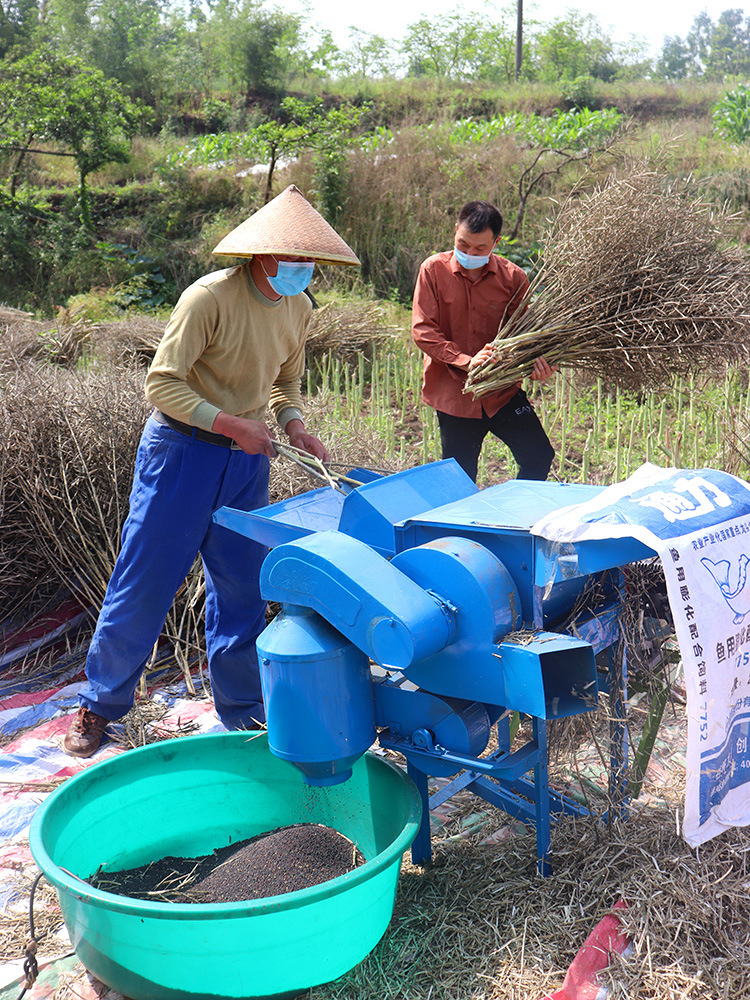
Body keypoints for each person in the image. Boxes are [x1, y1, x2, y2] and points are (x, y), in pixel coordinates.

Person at [63, 185, 360, 757]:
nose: (306, 271)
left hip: (246, 462)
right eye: (298, 260)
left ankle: (243, 709)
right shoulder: (209, 298)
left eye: (312, 263)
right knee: (145, 580)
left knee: (241, 588)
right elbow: (162, 383)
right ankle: (98, 707)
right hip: (182, 452)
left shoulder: (297, 307)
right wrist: (229, 423)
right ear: (265, 255)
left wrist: (294, 424)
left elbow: (285, 383)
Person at [411, 199, 556, 483]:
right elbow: (423, 330)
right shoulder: (433, 271)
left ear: (496, 242)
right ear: (455, 231)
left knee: (539, 455)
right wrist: (467, 361)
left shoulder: (514, 278)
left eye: (480, 248)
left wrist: (540, 365)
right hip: (455, 394)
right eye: (463, 244)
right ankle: (463, 527)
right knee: (460, 478)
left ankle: (515, 519)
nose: (470, 252)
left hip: (501, 391)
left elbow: (526, 335)